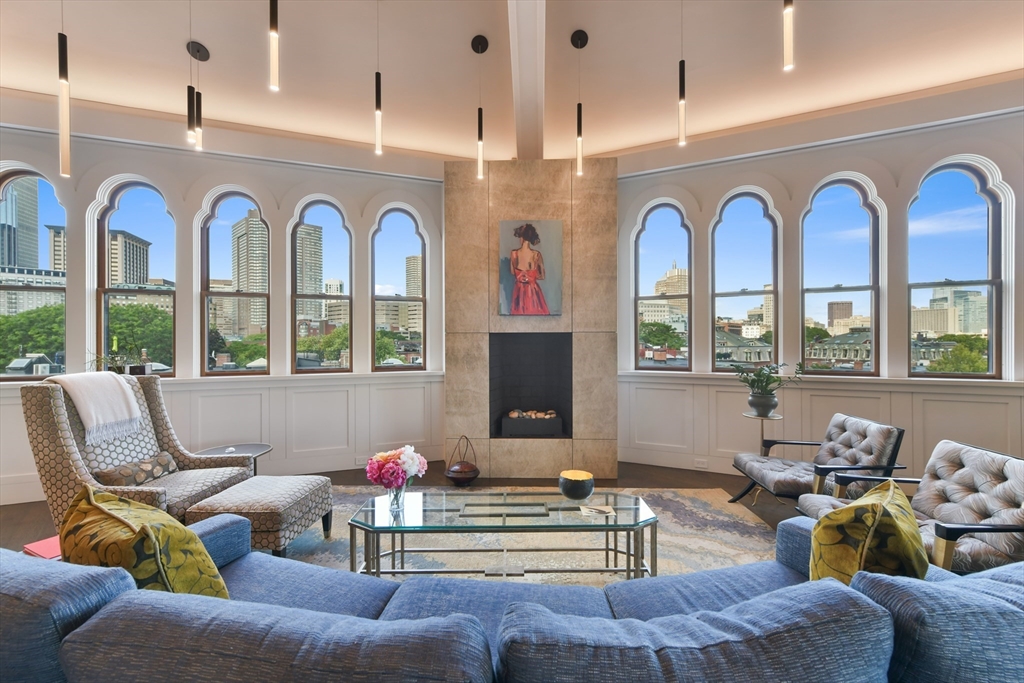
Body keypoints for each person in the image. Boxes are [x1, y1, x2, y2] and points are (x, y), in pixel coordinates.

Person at [509, 223, 550, 315]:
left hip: (519, 291)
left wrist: (521, 276)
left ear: (522, 238)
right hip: (533, 291)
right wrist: (531, 277)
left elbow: (512, 272)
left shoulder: (514, 254)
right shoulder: (536, 255)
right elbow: (542, 276)